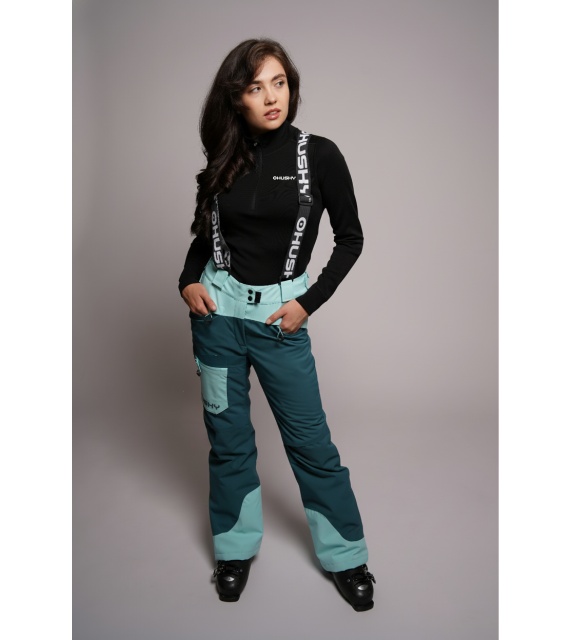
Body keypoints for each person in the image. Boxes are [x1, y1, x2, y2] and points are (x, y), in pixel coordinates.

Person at [178, 38, 375, 611]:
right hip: (217, 319)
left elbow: (351, 239)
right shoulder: (224, 157)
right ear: (235, 98)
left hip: (278, 322)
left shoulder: (320, 155)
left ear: (292, 86)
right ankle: (234, 548)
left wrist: (308, 302)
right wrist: (187, 281)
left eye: (279, 82)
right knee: (229, 442)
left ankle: (346, 556)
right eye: (255, 86)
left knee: (311, 444)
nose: (271, 97)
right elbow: (205, 237)